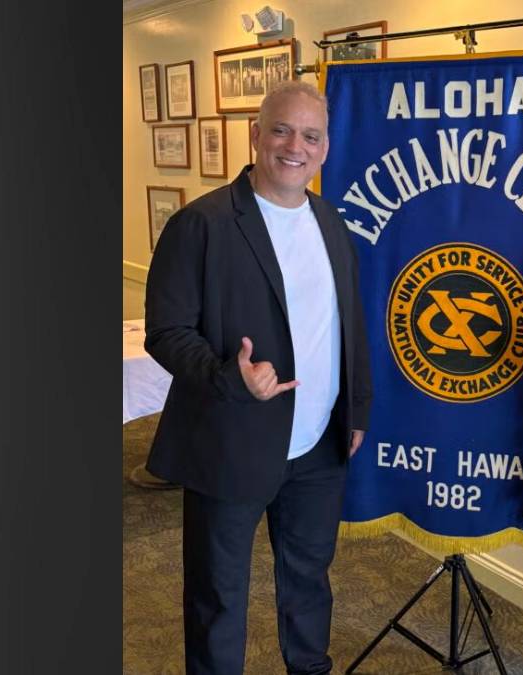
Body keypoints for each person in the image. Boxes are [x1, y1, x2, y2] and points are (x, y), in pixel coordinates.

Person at [143, 81, 371, 675]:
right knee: (218, 596)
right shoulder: (202, 224)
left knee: (309, 582)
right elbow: (165, 331)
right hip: (231, 442)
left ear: (325, 148)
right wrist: (227, 376)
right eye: (281, 130)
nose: (295, 147)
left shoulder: (331, 222)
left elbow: (348, 324)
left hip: (318, 445)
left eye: (311, 136)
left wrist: (356, 410)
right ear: (256, 135)